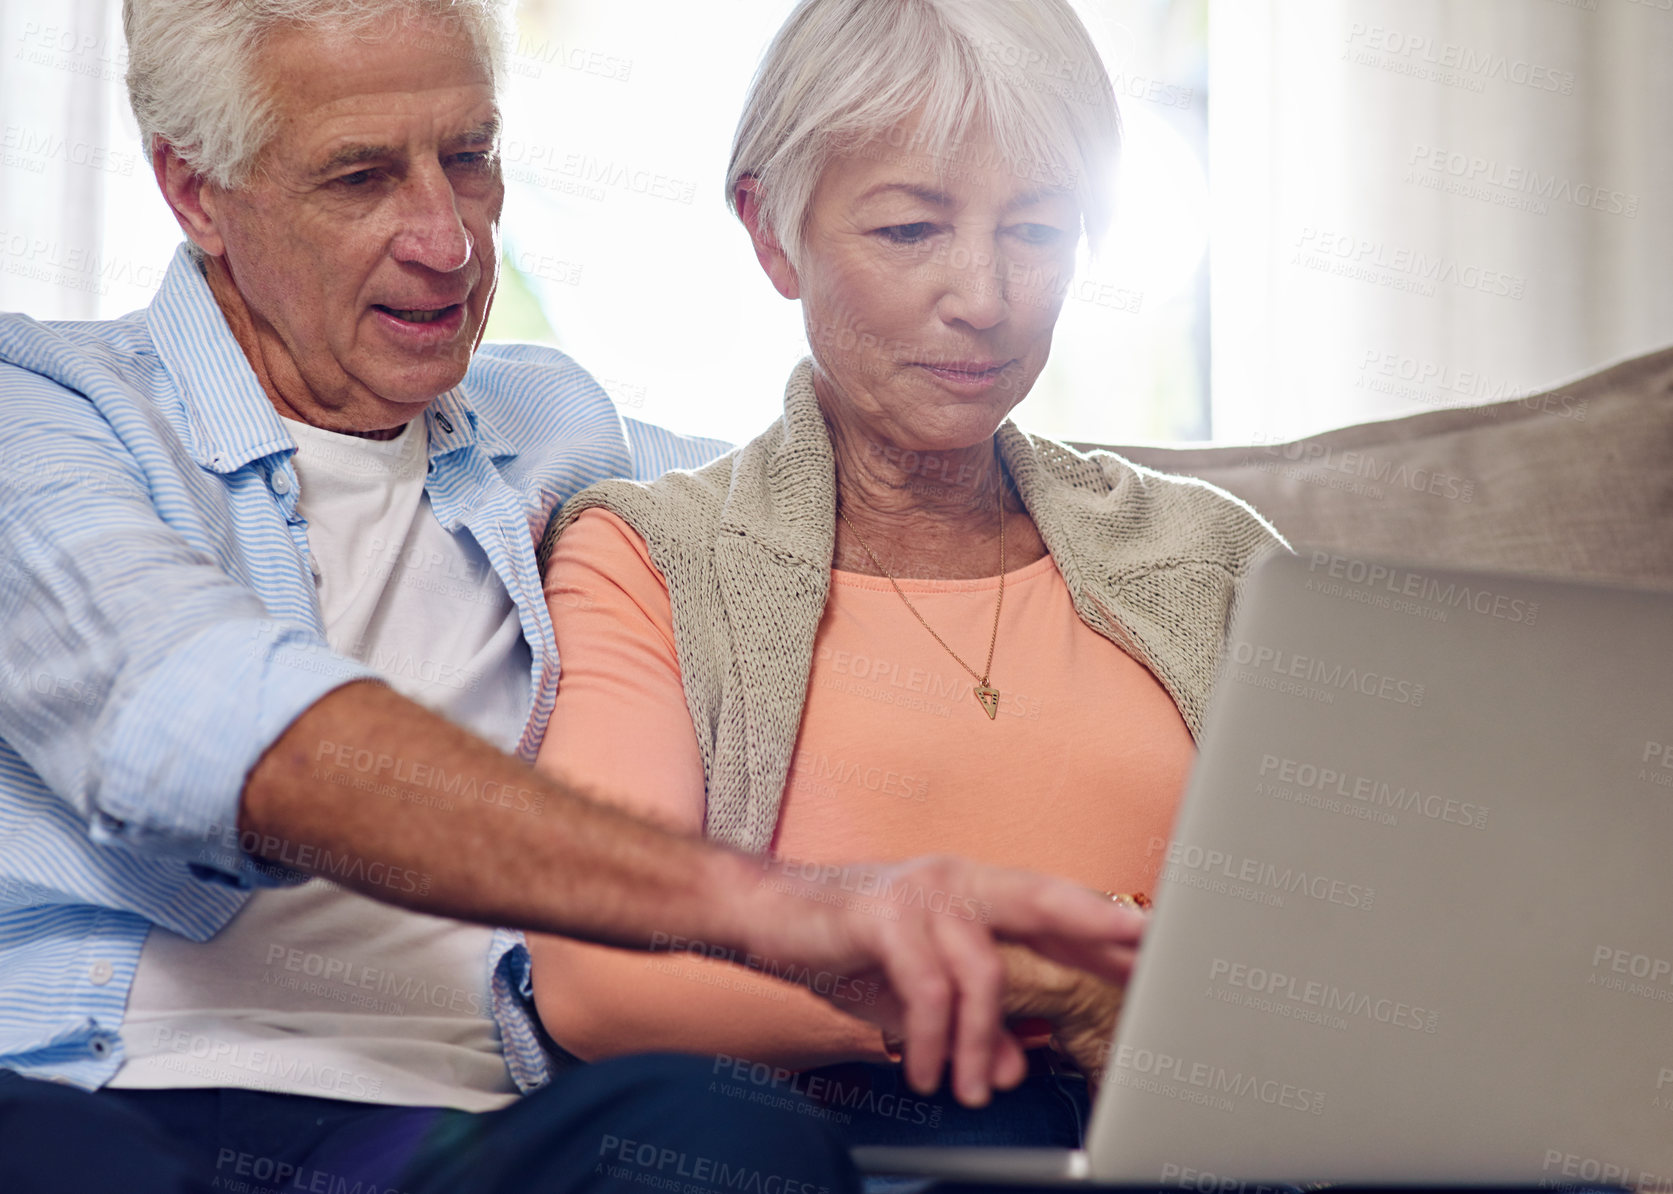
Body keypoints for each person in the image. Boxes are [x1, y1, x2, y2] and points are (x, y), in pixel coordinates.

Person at [0, 1, 1149, 1190]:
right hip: (104, 1089)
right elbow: (207, 720)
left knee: (724, 1134)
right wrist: (771, 909)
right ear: (196, 191)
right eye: (358, 178)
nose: (446, 241)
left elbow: (861, 519)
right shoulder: (44, 410)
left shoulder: (559, 435)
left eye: (469, 158)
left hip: (450, 1138)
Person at [528, 0, 1285, 1151]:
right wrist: (1024, 999)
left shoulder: (1209, 557)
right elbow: (596, 985)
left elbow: (1368, 928)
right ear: (771, 232)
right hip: (907, 1146)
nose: (982, 298)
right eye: (909, 232)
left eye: (1035, 230)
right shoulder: (654, 560)